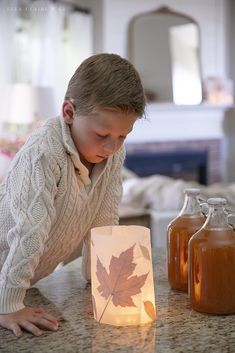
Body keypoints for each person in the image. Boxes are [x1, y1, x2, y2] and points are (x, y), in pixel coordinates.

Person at [0, 53, 146, 337]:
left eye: (123, 136)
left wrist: (101, 280)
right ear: (69, 112)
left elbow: (104, 219)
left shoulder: (112, 154)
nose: (113, 146)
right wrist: (8, 303)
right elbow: (29, 230)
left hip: (22, 282)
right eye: (102, 134)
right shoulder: (43, 152)